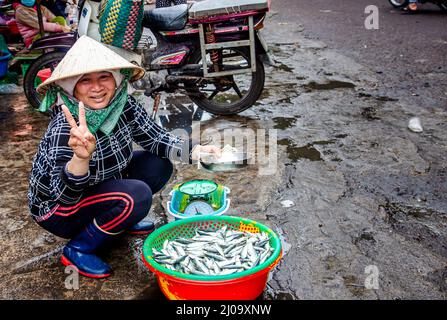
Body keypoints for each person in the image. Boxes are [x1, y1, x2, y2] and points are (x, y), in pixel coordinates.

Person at [29, 35, 221, 278]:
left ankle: (118, 220)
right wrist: (80, 158)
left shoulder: (123, 104)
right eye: (85, 80)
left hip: (97, 187)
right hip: (58, 209)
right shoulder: (66, 128)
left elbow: (156, 138)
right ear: (71, 87)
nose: (97, 88)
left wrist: (195, 150)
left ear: (116, 79)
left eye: (104, 77)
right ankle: (78, 248)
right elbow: (63, 197)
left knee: (158, 164)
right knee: (136, 196)